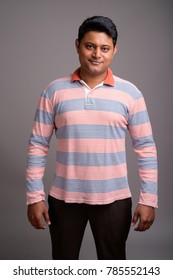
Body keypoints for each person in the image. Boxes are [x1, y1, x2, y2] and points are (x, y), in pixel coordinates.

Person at [26, 16, 158, 260]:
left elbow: (145, 148)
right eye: (90, 46)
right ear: (77, 45)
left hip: (115, 200)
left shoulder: (131, 93)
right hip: (64, 199)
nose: (97, 54)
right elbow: (37, 145)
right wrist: (34, 197)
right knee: (63, 268)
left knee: (113, 267)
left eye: (104, 48)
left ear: (114, 51)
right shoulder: (54, 91)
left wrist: (149, 200)